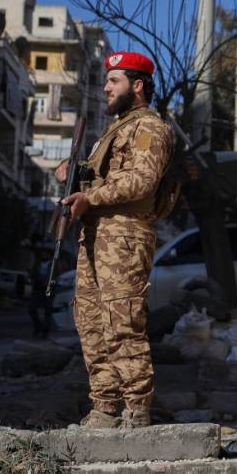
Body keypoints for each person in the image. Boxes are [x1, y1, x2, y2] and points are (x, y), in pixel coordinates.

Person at [56, 51, 173, 429]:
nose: (105, 87)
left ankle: (136, 410)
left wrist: (92, 197)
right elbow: (98, 177)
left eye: (114, 81)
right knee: (90, 320)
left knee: (122, 321)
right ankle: (105, 407)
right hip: (96, 236)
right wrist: (73, 175)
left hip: (125, 236)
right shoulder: (115, 130)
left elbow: (143, 181)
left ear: (137, 86)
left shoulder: (150, 129)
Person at [28, 257, 53, 338]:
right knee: (31, 309)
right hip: (37, 289)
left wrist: (49, 282)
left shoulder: (53, 264)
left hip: (48, 289)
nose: (43, 254)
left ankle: (45, 331)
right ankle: (38, 327)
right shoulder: (37, 264)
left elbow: (58, 276)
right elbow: (31, 275)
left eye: (45, 253)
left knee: (47, 311)